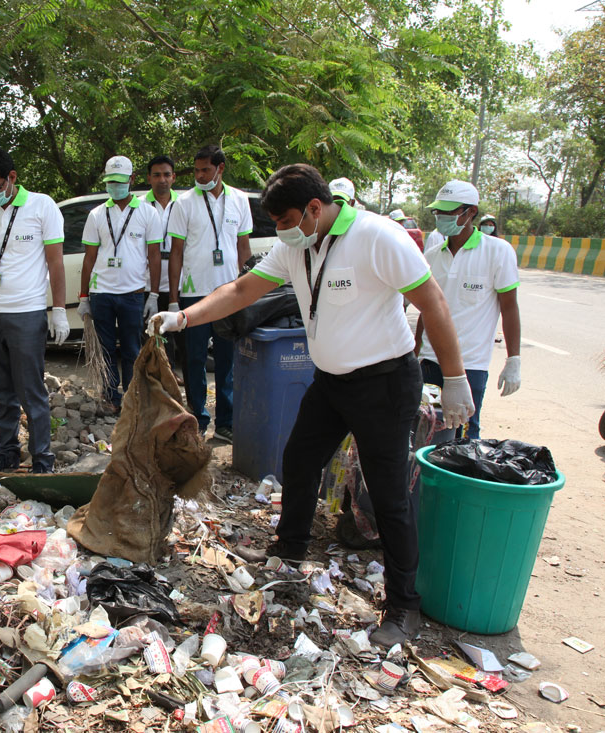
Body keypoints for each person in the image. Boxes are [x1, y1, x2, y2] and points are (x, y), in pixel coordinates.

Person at [149, 164, 474, 647]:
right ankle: (290, 550)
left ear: (314, 209)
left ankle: (404, 606)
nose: (280, 230)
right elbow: (242, 290)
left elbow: (434, 303)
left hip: (384, 383)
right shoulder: (296, 246)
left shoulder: (377, 237)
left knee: (388, 495)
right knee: (299, 461)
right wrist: (183, 318)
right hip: (331, 382)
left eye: (285, 221)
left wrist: (454, 378)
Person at [0, 147, 67, 474]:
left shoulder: (42, 206)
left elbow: (55, 262)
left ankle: (42, 460)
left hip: (27, 313)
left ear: (12, 178)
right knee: (1, 390)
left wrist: (59, 309)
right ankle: (7, 453)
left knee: (31, 392)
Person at [416, 181, 521, 439]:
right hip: (430, 362)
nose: (442, 217)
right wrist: (415, 352)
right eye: (439, 211)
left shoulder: (497, 252)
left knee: (463, 435)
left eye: (450, 211)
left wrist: (513, 359)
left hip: (470, 364)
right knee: (426, 430)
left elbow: (509, 307)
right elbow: (426, 309)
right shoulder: (432, 256)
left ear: (471, 211)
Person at [167, 144, 253, 441]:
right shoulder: (184, 203)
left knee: (228, 361)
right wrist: (174, 299)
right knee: (194, 359)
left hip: (230, 292)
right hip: (195, 294)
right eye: (196, 170)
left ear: (221, 168)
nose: (200, 176)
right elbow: (176, 252)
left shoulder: (240, 200)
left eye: (206, 170)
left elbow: (243, 248)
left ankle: (226, 422)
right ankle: (198, 420)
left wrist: (247, 290)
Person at [79, 155, 162, 410]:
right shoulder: (96, 214)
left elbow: (154, 255)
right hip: (101, 293)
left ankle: (131, 397)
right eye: (111, 181)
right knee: (105, 349)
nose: (115, 186)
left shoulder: (148, 212)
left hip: (133, 293)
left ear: (132, 179)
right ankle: (110, 397)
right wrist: (83, 297)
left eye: (120, 181)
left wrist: (154, 295)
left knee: (132, 349)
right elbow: (89, 257)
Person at [141, 155, 184, 378]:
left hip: (179, 279)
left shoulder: (184, 203)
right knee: (150, 332)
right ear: (149, 178)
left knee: (175, 333)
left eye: (167, 175)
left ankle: (170, 375)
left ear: (173, 177)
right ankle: (151, 377)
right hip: (147, 280)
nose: (162, 180)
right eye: (156, 175)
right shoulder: (139, 204)